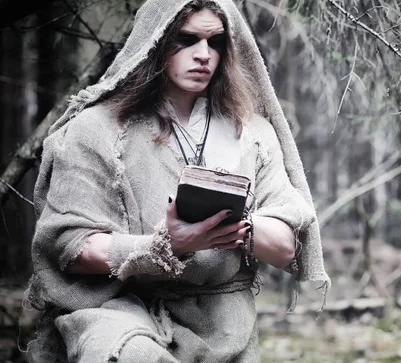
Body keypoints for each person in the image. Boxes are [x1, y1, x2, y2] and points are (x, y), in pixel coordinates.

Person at [24, 0, 330, 362]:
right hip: (118, 310)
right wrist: (166, 247)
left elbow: (284, 248)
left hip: (221, 322)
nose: (203, 55)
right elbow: (71, 247)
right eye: (186, 40)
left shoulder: (253, 134)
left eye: (214, 42)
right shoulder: (96, 129)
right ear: (156, 41)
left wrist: (239, 227)